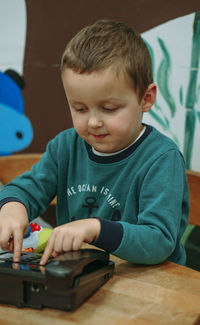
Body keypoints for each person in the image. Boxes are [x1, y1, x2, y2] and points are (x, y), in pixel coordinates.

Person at [0, 19, 189, 266]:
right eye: (79, 108)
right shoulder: (65, 147)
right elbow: (26, 189)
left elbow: (159, 241)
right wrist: (13, 206)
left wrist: (97, 229)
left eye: (108, 108)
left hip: (151, 285)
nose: (93, 122)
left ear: (146, 98)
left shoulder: (162, 158)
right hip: (83, 274)